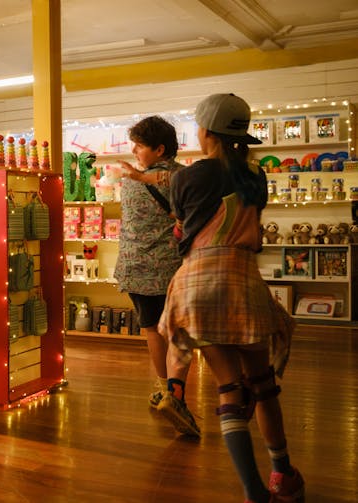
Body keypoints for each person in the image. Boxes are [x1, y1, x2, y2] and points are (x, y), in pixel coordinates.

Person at [157, 94, 303, 503]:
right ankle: (282, 474)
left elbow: (182, 232)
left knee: (229, 389)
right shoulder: (257, 177)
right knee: (263, 385)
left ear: (205, 131)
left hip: (197, 287)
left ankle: (253, 491)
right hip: (241, 282)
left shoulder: (184, 178)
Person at [113, 116, 197, 435]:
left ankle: (163, 388)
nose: (134, 149)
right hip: (173, 267)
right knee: (176, 331)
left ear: (159, 149)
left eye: (140, 145)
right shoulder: (184, 177)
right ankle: (175, 393)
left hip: (136, 267)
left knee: (151, 329)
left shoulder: (132, 181)